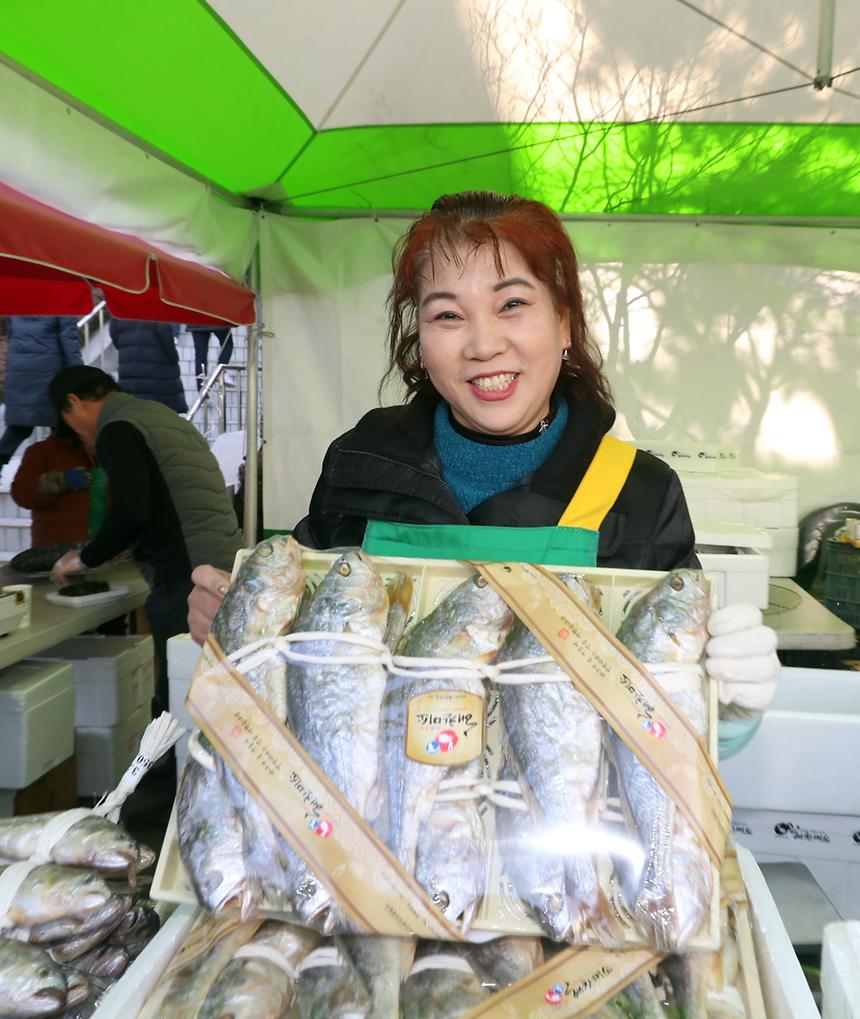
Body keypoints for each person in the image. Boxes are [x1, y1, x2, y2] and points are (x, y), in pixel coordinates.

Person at [187, 190, 779, 753]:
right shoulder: (361, 462)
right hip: (379, 833)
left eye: (513, 304)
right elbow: (306, 668)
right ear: (419, 337)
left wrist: (726, 712)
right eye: (448, 315)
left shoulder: (637, 490)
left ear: (565, 321)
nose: (483, 343)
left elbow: (669, 725)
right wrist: (239, 626)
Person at [47, 365, 243, 713]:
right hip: (219, 558)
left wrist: (83, 558)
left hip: (186, 569)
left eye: (71, 425)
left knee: (181, 693)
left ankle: (168, 766)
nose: (79, 437)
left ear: (74, 403)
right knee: (210, 683)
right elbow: (162, 496)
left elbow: (131, 512)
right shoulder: (157, 415)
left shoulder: (117, 429)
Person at [0, 316, 82, 468]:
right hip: (50, 373)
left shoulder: (18, 301)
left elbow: (11, 335)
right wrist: (78, 372)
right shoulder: (62, 301)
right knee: (62, 425)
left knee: (19, 426)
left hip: (20, 370)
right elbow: (69, 341)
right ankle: (60, 472)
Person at [10, 418, 96, 547]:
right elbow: (22, 494)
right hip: (56, 549)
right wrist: (59, 481)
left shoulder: (104, 451)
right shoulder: (42, 452)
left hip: (100, 548)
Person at [109, 319, 188, 413]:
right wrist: (174, 358)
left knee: (135, 416)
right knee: (160, 418)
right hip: (159, 380)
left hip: (130, 377)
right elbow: (168, 345)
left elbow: (115, 338)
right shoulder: (155, 313)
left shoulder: (120, 315)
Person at [188, 324, 233, 389]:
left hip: (196, 319)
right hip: (217, 318)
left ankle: (202, 391)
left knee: (200, 356)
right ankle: (220, 372)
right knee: (228, 344)